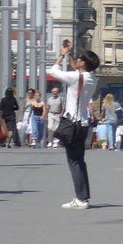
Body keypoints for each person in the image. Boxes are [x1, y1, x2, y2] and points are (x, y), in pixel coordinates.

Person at [47, 40, 101, 210]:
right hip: (83, 123)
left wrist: (62, 54)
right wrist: (71, 55)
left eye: (78, 59)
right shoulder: (92, 78)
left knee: (74, 161)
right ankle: (82, 196)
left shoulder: (76, 77)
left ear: (83, 62)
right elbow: (76, 71)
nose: (76, 61)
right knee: (80, 161)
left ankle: (81, 199)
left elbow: (53, 71)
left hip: (72, 123)